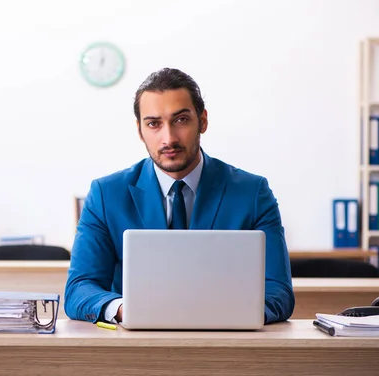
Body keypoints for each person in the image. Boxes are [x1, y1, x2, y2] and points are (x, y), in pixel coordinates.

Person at [64, 67, 295, 325]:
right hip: (135, 350)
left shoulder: (252, 193)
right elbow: (78, 290)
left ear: (203, 121)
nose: (169, 138)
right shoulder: (106, 195)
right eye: (154, 124)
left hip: (227, 348)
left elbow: (279, 293)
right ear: (140, 131)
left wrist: (221, 315)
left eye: (181, 120)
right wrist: (123, 309)